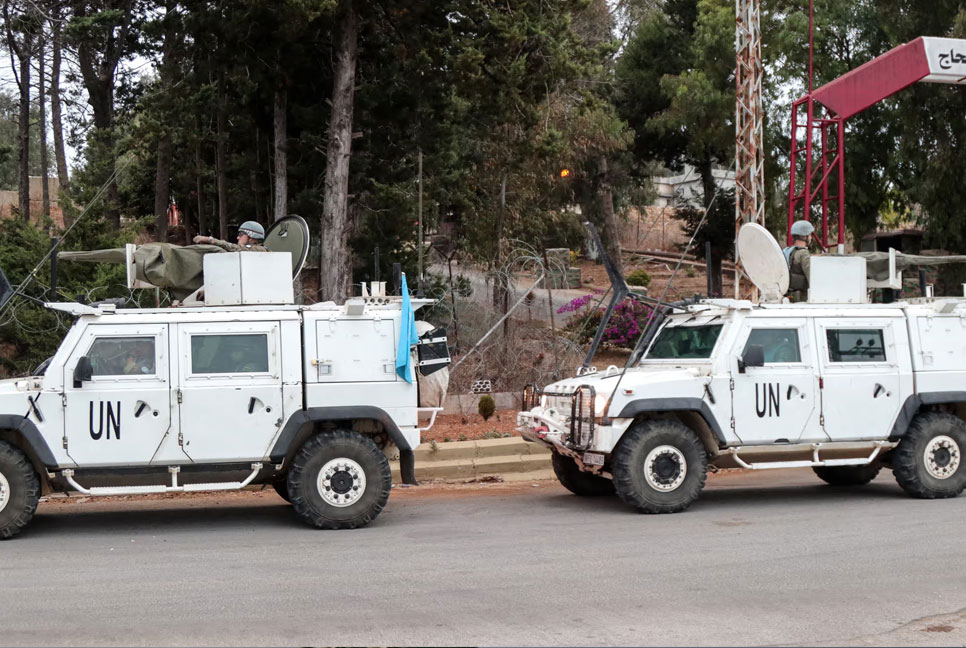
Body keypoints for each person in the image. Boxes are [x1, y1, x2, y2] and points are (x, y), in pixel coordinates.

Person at [783, 220, 814, 302]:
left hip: (788, 296)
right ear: (804, 236)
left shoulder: (787, 251)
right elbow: (812, 278)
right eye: (809, 235)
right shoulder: (803, 254)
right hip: (801, 300)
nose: (811, 238)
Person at [193, 221, 267, 252]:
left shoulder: (260, 250)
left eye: (241, 234)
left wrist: (210, 240)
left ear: (251, 238)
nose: (238, 237)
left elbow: (234, 247)